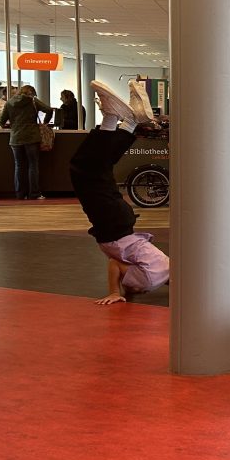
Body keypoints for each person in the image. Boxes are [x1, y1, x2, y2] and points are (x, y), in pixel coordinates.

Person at [73, 80, 166, 304]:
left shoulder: (159, 276)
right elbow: (116, 266)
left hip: (118, 222)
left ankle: (126, 123)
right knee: (85, 169)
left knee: (96, 168)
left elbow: (122, 269)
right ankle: (115, 119)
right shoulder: (149, 281)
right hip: (112, 225)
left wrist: (122, 291)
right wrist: (116, 292)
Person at [0, 85, 55, 200]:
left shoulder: (9, 103)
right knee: (33, 165)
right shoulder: (32, 101)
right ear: (31, 93)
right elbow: (49, 110)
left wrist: (12, 124)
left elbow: (1, 121)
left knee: (19, 166)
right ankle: (34, 193)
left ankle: (20, 194)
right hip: (32, 138)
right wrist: (45, 122)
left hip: (15, 138)